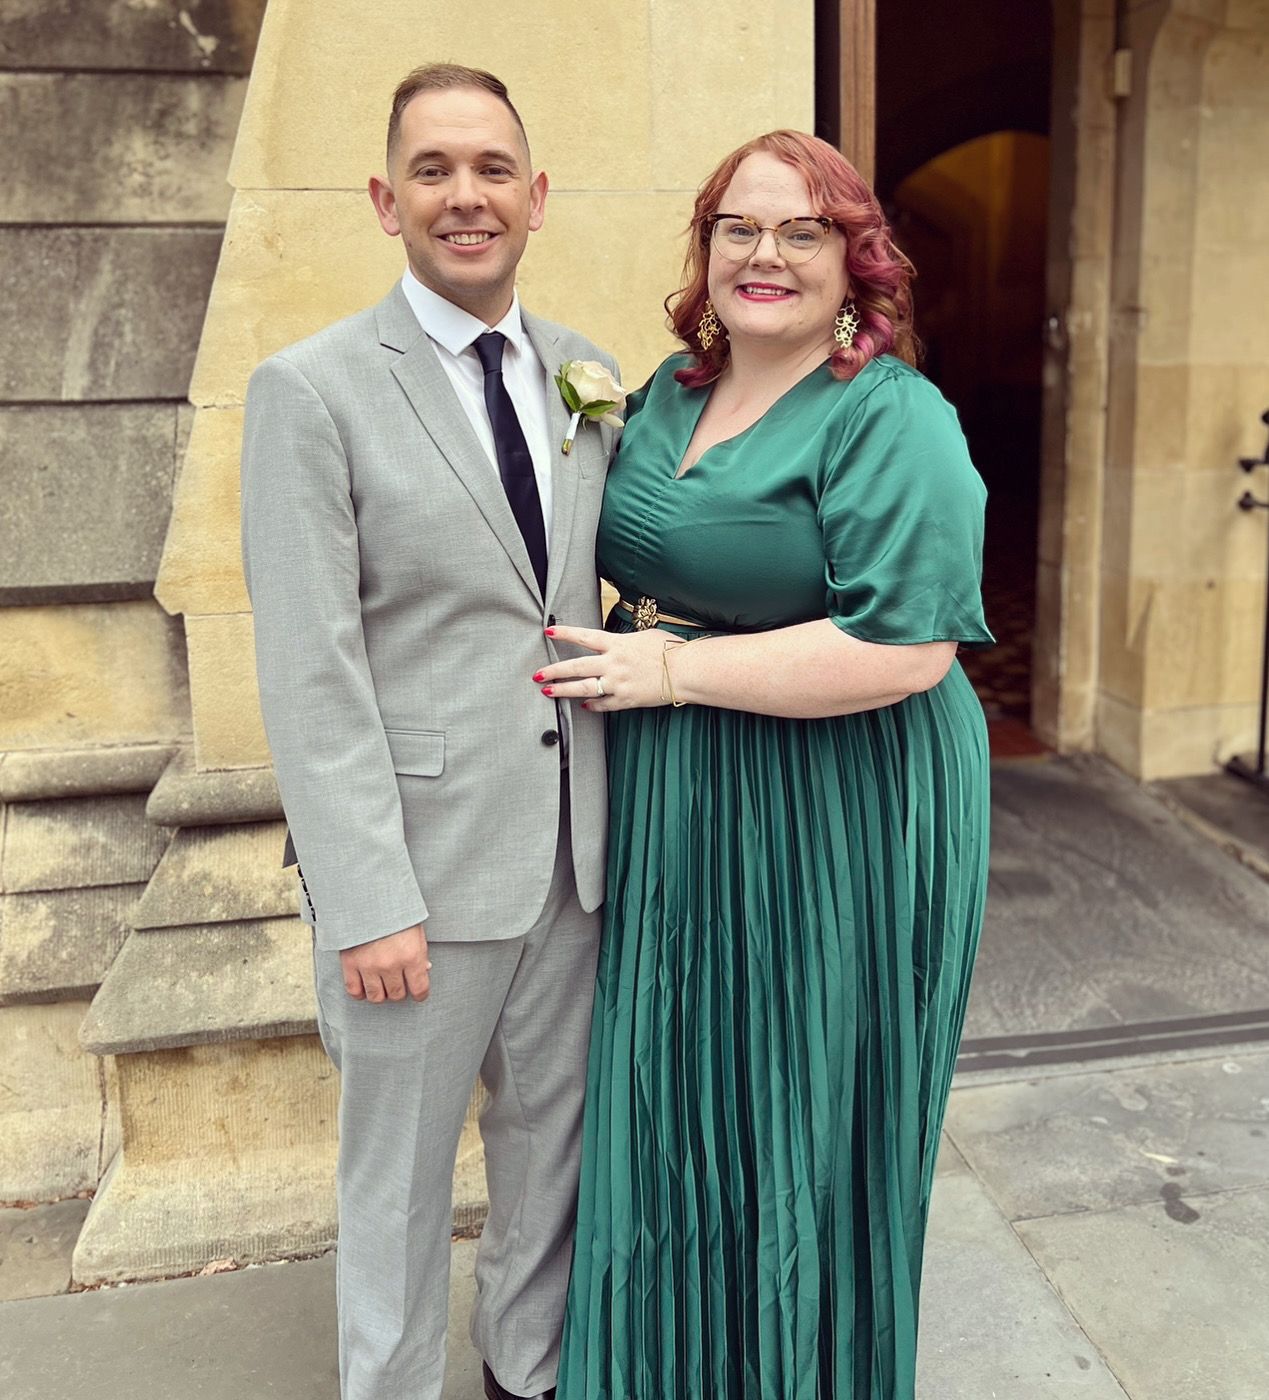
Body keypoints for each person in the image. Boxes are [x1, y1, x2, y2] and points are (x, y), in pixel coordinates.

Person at [540, 130, 994, 1399]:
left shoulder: (892, 416)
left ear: (857, 261)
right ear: (705, 248)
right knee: (673, 1089)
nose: (767, 254)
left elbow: (905, 649)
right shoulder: (667, 392)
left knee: (801, 1106)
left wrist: (673, 671)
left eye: (803, 232)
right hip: (681, 783)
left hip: (841, 796)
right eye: (739, 227)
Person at [240, 64, 620, 1400]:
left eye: (493, 168)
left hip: (574, 857)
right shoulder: (310, 390)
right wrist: (366, 898)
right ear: (384, 198)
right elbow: (310, 666)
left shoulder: (585, 373)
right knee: (397, 1184)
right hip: (412, 878)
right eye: (435, 169)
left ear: (536, 195)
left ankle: (526, 1370)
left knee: (552, 1154)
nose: (467, 195)